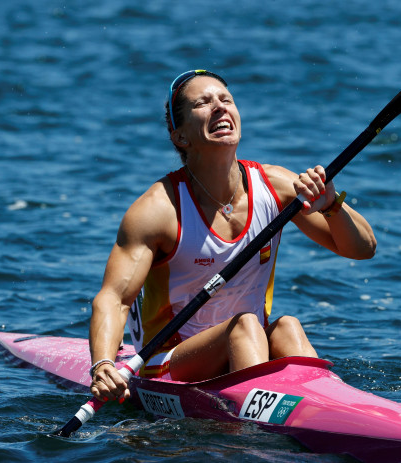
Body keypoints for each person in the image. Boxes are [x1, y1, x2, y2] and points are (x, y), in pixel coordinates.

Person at [89, 70, 376, 403]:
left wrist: (332, 207)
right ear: (180, 136)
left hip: (248, 346)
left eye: (226, 100)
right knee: (244, 326)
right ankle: (257, 439)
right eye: (204, 103)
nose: (219, 107)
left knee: (287, 327)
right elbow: (114, 298)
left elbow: (363, 249)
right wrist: (104, 365)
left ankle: (326, 410)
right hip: (167, 362)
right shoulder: (158, 210)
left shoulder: (277, 186)